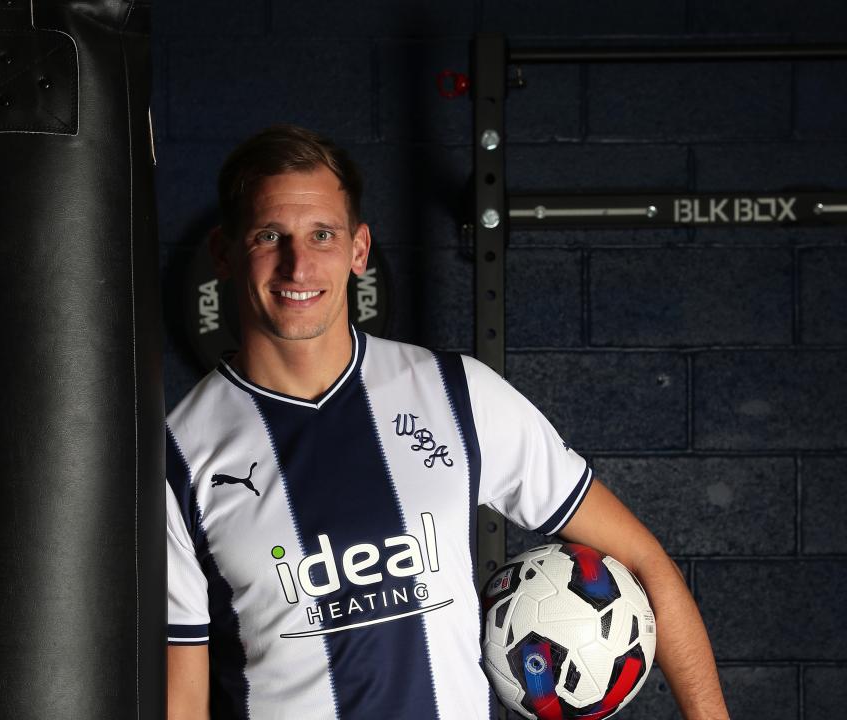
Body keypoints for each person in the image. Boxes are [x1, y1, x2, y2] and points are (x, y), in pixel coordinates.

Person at [165, 124, 730, 720]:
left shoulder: (457, 394)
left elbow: (644, 562)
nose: (298, 264)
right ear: (225, 253)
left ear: (359, 251)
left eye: (322, 234)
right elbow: (184, 696)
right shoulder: (178, 454)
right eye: (269, 235)